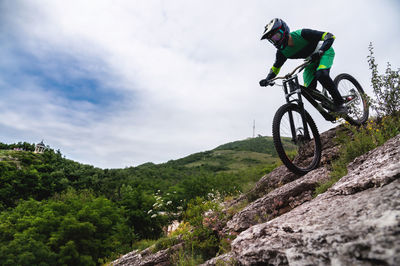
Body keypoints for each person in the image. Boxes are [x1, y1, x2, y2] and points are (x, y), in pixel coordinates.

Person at [259, 18, 347, 114]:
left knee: (321, 74)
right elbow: (275, 69)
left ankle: (340, 104)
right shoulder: (282, 53)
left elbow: (329, 36)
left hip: (324, 52)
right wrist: (267, 79)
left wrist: (321, 51)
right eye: (272, 40)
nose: (275, 41)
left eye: (276, 37)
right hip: (310, 61)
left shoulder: (302, 34)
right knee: (309, 90)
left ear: (283, 31)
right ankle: (329, 103)